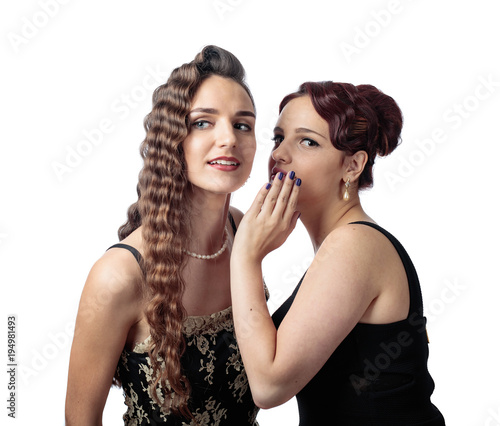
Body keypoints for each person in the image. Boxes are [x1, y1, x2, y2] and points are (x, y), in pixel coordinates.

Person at [65, 45, 261, 425]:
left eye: (243, 124)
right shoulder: (118, 275)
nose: (229, 139)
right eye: (203, 122)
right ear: (172, 139)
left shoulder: (242, 231)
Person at [230, 82, 445, 425]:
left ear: (352, 166)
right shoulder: (344, 243)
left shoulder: (355, 245)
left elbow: (269, 387)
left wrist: (245, 257)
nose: (279, 154)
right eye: (278, 138)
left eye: (307, 142)